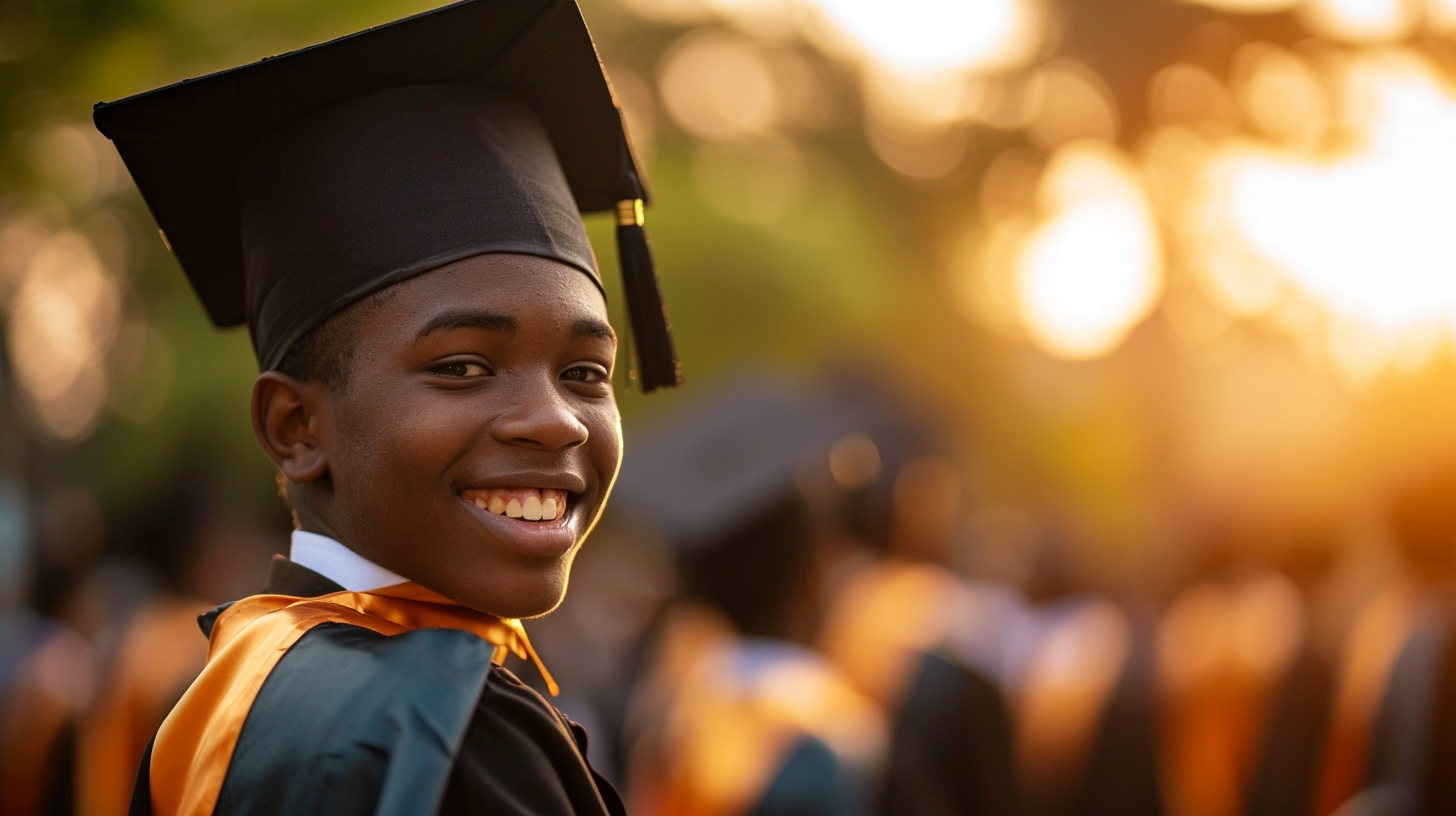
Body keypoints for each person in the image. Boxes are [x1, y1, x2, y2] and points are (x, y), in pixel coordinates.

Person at [90, 0, 680, 813]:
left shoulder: (224, 696)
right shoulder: (447, 733)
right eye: (465, 366)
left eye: (586, 371)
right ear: (295, 428)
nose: (558, 420)